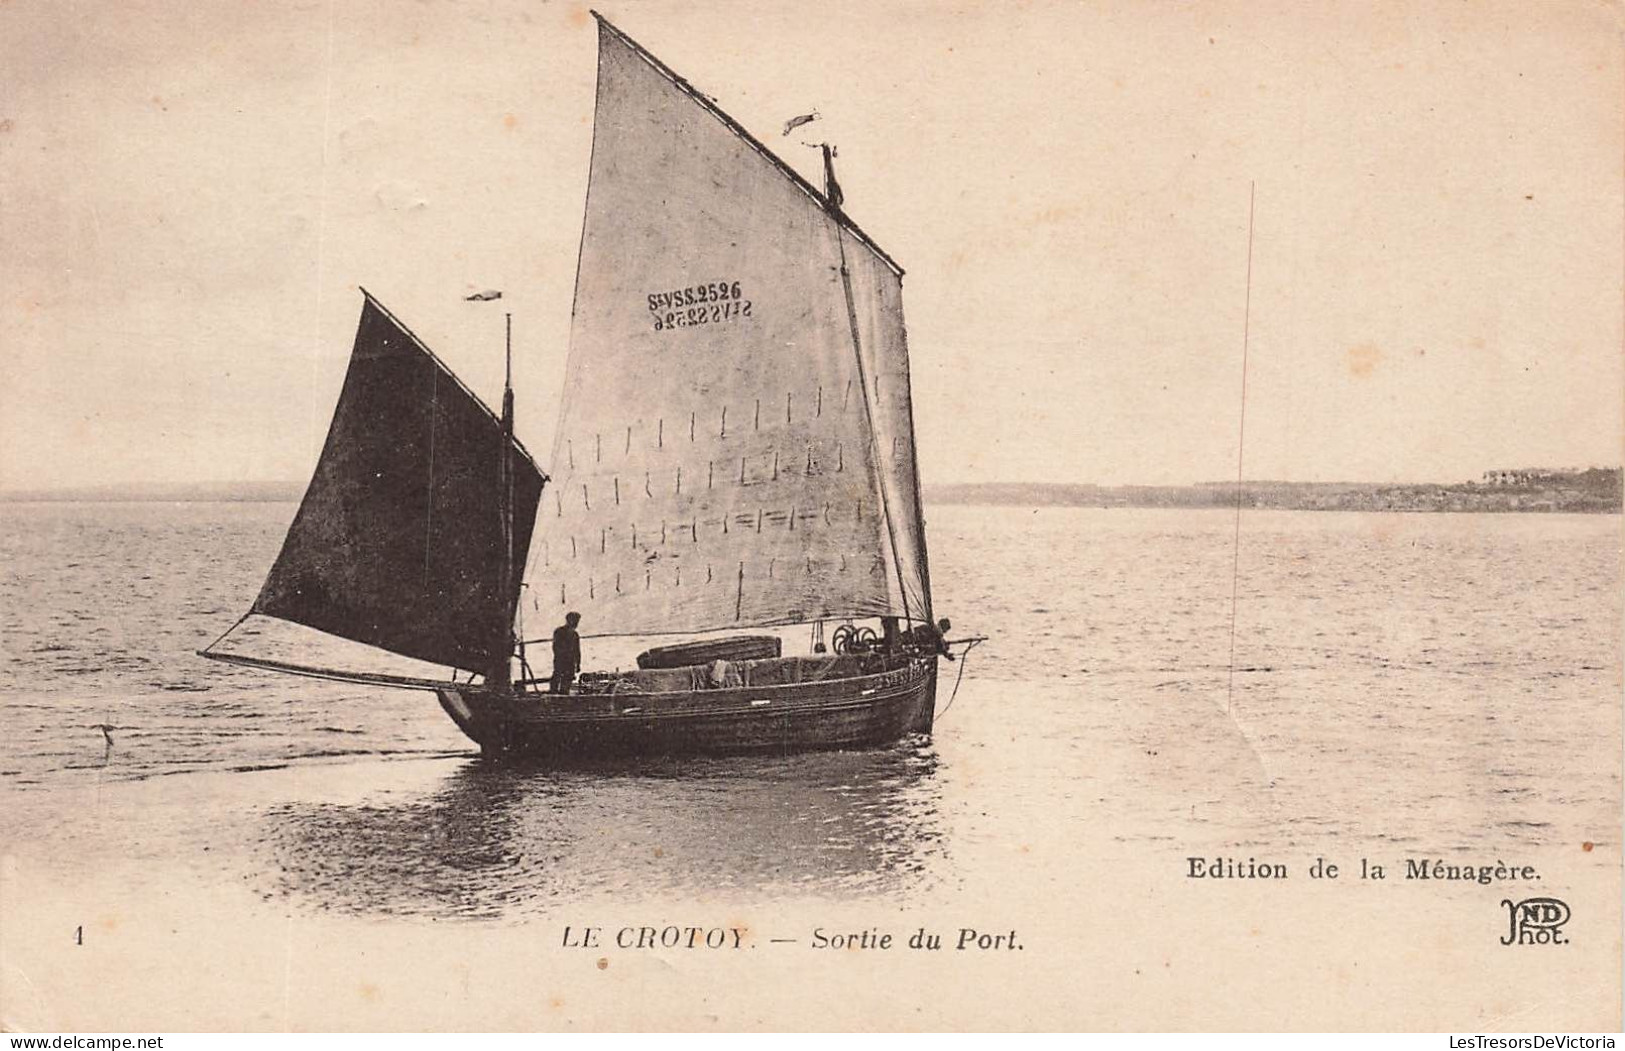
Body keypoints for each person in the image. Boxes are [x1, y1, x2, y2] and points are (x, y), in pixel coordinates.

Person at [550, 612, 582, 695]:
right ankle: (553, 694)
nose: (576, 623)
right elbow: (555, 647)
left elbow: (577, 650)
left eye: (577, 621)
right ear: (568, 620)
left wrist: (578, 664)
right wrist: (562, 656)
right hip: (561, 660)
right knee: (557, 677)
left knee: (568, 679)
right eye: (574, 621)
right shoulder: (559, 632)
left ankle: (564, 694)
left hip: (570, 662)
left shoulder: (575, 635)